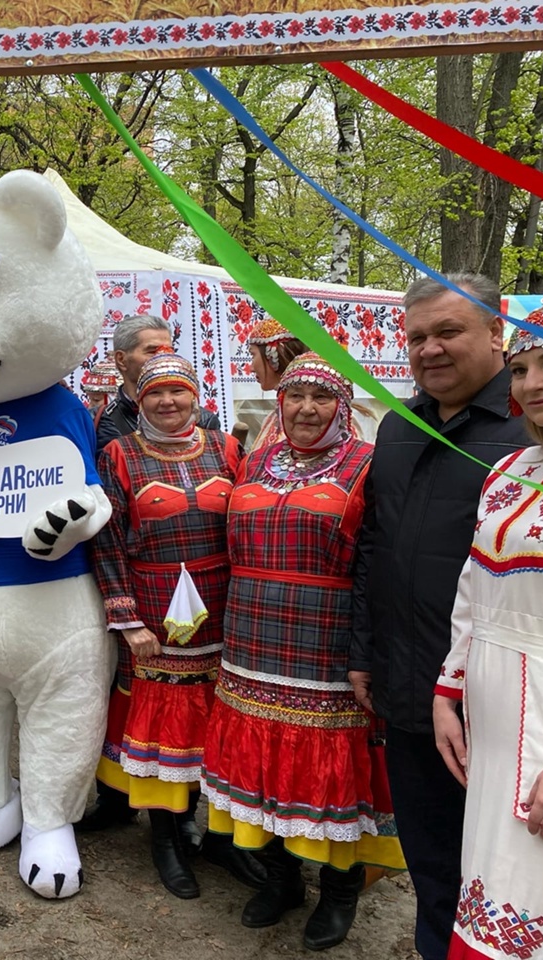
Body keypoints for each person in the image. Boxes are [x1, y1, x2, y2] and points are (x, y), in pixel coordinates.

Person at [349, 274, 526, 960]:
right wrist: (364, 654)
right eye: (417, 336)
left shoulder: (531, 431)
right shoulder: (397, 428)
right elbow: (374, 549)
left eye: (448, 332)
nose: (430, 350)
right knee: (429, 864)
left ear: (495, 333)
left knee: (505, 870)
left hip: (499, 700)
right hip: (407, 690)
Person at [203, 353, 404, 951]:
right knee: (260, 767)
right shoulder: (256, 462)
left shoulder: (367, 466)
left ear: (342, 406)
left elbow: (376, 565)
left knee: (327, 774)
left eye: (321, 397)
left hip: (326, 644)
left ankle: (339, 891)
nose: (306, 408)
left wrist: (366, 649)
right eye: (295, 397)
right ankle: (282, 879)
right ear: (279, 402)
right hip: (247, 639)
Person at [90, 350, 263, 899]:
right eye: (155, 393)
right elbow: (107, 541)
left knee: (216, 725)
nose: (167, 402)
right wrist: (126, 619)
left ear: (196, 396)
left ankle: (212, 833)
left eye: (178, 391)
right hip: (156, 613)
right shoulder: (119, 455)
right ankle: (165, 837)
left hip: (223, 608)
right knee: (164, 730)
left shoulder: (227, 449)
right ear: (139, 399)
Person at [433, 307, 543, 959]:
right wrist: (447, 689)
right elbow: (473, 590)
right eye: (521, 369)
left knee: (539, 904)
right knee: (487, 890)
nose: (533, 381)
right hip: (494, 725)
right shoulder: (512, 471)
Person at [241, 317, 377, 450]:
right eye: (296, 396)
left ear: (274, 354)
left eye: (253, 355)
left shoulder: (339, 421)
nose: (307, 409)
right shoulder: (275, 418)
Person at [95, 315, 221, 450]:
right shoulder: (97, 422)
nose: (163, 357)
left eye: (169, 350)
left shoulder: (203, 421)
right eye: (152, 351)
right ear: (121, 360)